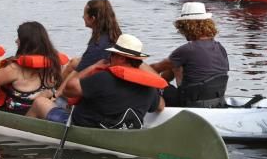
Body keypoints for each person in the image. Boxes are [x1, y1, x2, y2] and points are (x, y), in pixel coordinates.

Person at [29, 33, 165, 129]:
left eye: (112, 55)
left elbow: (69, 90)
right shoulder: (148, 88)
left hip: (82, 130)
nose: (109, 58)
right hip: (119, 134)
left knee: (40, 102)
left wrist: (92, 67)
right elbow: (160, 106)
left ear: (122, 59)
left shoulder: (104, 78)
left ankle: (23, 137)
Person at [150, 3, 230, 108]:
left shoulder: (187, 50)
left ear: (187, 27)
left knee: (150, 82)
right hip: (216, 100)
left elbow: (154, 69)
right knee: (176, 66)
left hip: (189, 103)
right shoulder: (220, 47)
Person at [66, 0, 122, 75]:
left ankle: (57, 85)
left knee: (72, 65)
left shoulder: (97, 45)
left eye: (85, 14)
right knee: (74, 61)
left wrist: (61, 87)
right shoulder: (114, 34)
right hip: (107, 69)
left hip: (99, 74)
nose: (83, 17)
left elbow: (77, 75)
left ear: (93, 19)